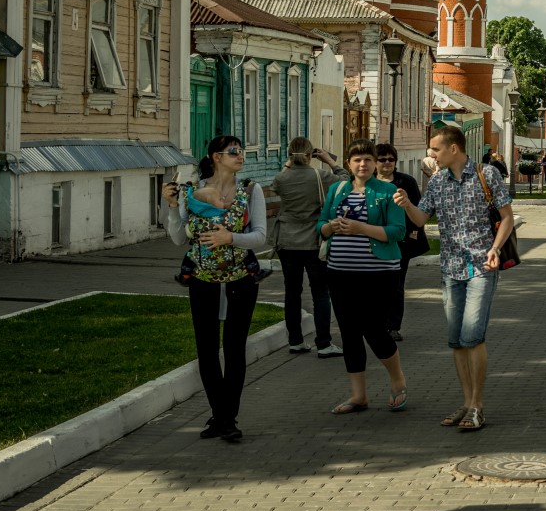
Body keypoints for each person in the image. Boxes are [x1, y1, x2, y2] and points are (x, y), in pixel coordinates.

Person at [392, 123, 514, 433]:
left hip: (481, 268)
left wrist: (495, 249)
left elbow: (507, 218)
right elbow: (421, 219)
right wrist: (407, 204)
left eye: (435, 149)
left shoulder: (488, 175)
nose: (431, 154)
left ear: (453, 149)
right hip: (450, 269)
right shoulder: (437, 181)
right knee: (457, 340)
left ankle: (478, 405)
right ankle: (466, 402)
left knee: (473, 336)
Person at [160, 136, 268, 442]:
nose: (241, 157)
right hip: (202, 280)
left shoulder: (250, 189)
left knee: (234, 350)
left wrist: (230, 239)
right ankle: (220, 415)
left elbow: (260, 236)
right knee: (206, 352)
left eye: (242, 151)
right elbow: (180, 238)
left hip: (240, 279)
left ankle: (226, 418)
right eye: (234, 152)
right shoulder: (192, 192)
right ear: (216, 156)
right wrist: (171, 207)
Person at [318, 138, 409, 415]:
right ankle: (358, 395)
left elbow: (397, 232)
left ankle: (398, 380)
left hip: (379, 273)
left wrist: (361, 228)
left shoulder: (388, 190)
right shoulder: (337, 189)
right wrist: (330, 227)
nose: (363, 164)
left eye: (368, 159)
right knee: (348, 331)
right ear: (348, 163)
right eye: (357, 159)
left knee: (374, 328)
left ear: (375, 163)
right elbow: (320, 226)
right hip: (340, 272)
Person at [270, 138, 346, 358]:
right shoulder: (319, 176)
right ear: (310, 154)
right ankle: (323, 343)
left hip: (287, 240)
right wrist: (329, 161)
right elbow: (344, 180)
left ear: (289, 154)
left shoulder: (282, 178)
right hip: (313, 239)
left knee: (292, 292)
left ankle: (295, 341)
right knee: (320, 293)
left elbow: (276, 184)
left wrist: (289, 163)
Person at [374, 143, 427, 343]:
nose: (387, 163)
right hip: (374, 241)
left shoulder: (406, 182)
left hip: (401, 241)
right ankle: (377, 324)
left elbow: (417, 208)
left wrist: (414, 232)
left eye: (391, 159)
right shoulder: (368, 183)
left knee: (396, 285)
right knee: (374, 286)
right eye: (382, 159)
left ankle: (393, 326)